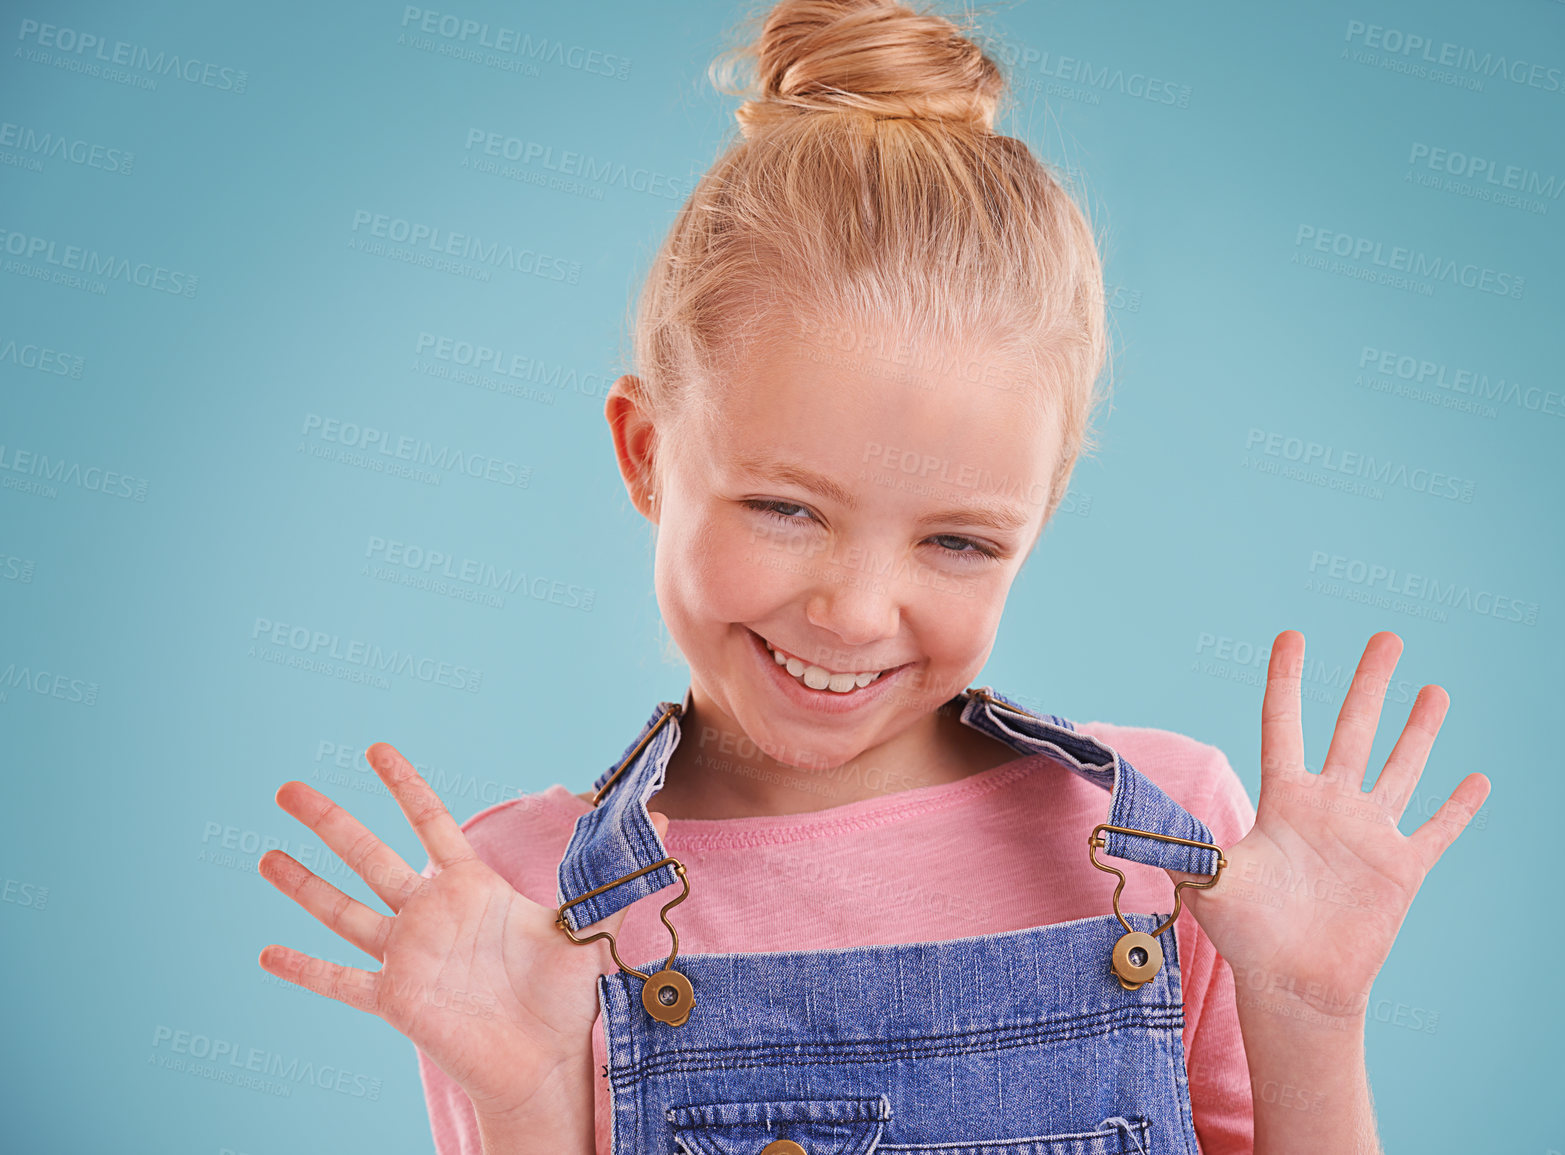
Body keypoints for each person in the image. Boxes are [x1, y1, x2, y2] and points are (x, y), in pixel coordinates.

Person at [254, 2, 1491, 1152]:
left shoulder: (1170, 840)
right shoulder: (524, 905)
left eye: (958, 541)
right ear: (644, 454)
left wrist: (1311, 1020)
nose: (851, 613)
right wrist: (526, 1101)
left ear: (1038, 520)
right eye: (787, 508)